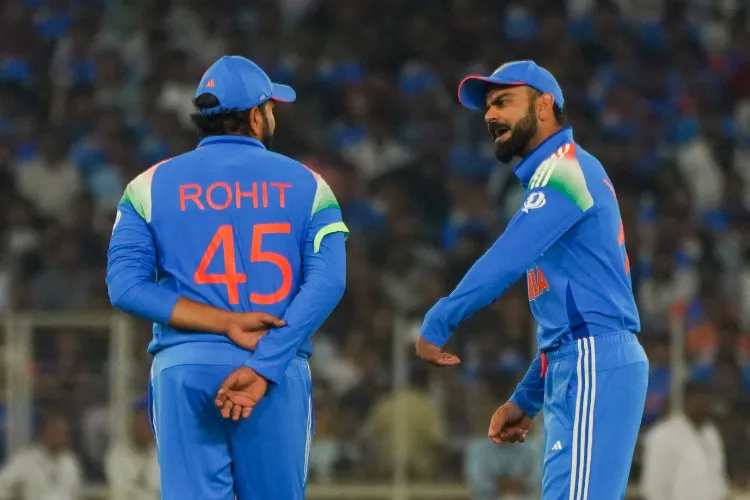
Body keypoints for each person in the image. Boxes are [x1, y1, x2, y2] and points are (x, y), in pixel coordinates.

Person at [106, 55, 349, 499]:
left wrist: (222, 322)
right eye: (271, 109)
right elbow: (329, 282)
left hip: (183, 368)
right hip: (274, 369)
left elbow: (125, 287)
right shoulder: (310, 184)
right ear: (256, 116)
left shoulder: (146, 185)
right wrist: (265, 364)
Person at [416, 60, 648, 499]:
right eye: (487, 107)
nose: (490, 115)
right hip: (578, 363)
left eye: (503, 101)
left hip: (594, 363)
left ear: (544, 106)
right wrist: (527, 398)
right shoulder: (553, 177)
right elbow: (568, 318)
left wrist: (440, 318)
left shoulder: (564, 169)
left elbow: (507, 258)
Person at [640, 381, 728, 500]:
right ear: (685, 401)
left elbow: (718, 475)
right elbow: (653, 488)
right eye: (698, 401)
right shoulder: (663, 435)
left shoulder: (711, 433)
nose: (703, 406)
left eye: (706, 402)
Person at [0, 413, 82, 500]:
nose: (62, 437)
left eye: (65, 433)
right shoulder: (24, 459)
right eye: (57, 432)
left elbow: (77, 493)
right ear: (45, 432)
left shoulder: (70, 462)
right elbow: (2, 488)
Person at [105, 402, 160, 500]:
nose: (140, 428)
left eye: (145, 424)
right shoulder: (117, 455)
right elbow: (121, 490)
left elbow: (157, 486)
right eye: (137, 423)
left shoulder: (160, 455)